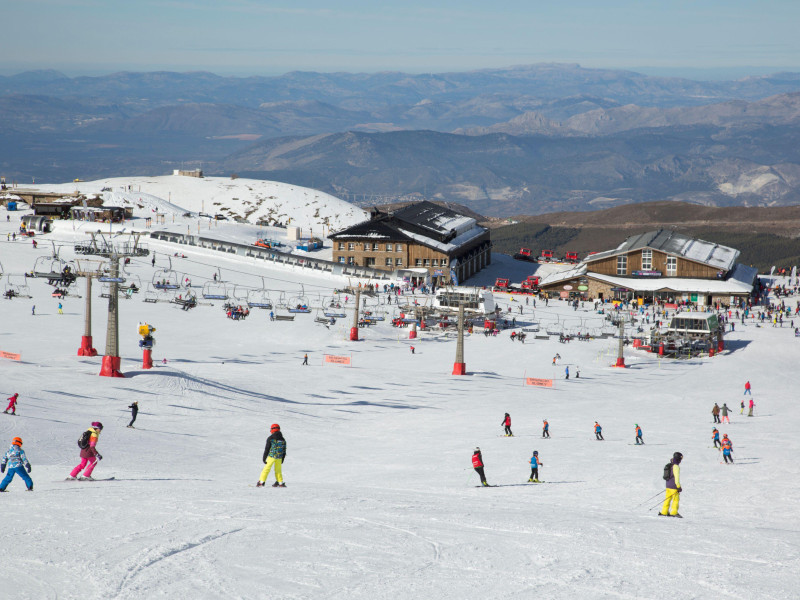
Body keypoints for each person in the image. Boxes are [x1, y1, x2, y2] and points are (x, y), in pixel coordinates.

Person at [256, 423, 286, 487]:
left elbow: (267, 448)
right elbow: (284, 450)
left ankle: (261, 482)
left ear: (272, 429)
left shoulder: (270, 438)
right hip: (279, 457)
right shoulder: (283, 439)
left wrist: (264, 458)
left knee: (266, 469)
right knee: (278, 470)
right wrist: (282, 459)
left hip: (271, 457)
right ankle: (280, 483)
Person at [659, 452, 683, 518]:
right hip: (674, 486)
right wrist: (678, 486)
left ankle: (664, 511)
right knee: (676, 499)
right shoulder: (676, 466)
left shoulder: (670, 465)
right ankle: (674, 512)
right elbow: (676, 478)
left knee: (667, 499)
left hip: (668, 485)